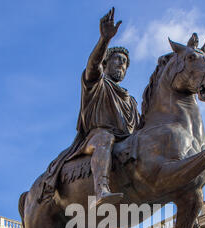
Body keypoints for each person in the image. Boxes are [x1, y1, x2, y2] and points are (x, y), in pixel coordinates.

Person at [38, 8, 140, 207]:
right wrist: (104, 40)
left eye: (125, 62)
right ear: (106, 63)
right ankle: (101, 188)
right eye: (118, 59)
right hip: (95, 137)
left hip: (125, 139)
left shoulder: (130, 100)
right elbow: (92, 66)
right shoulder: (95, 84)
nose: (122, 64)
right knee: (105, 138)